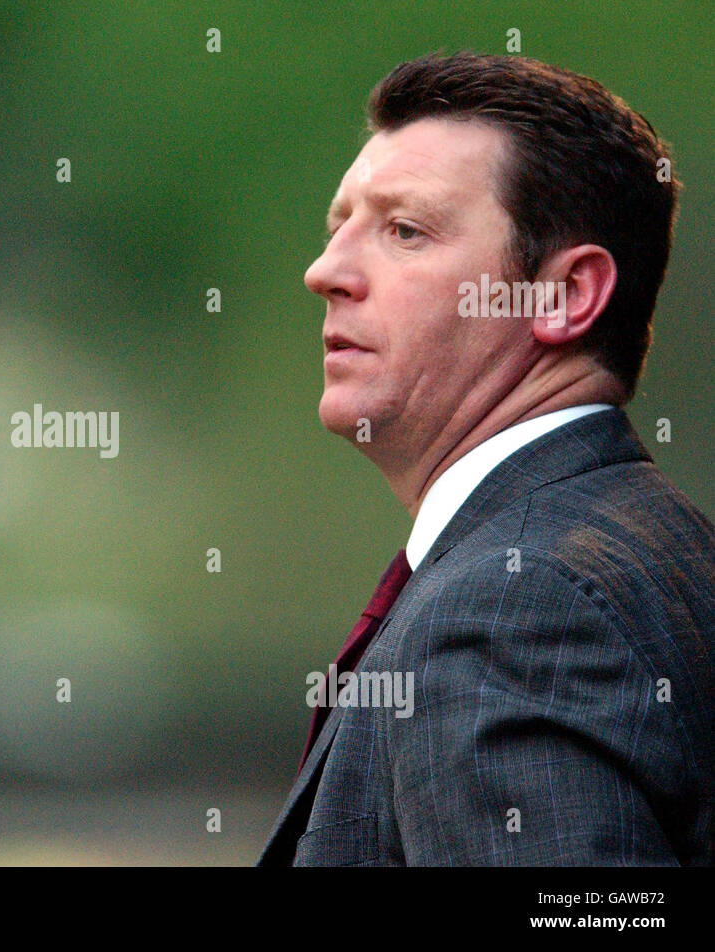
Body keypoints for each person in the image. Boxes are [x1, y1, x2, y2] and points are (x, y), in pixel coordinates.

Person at [258, 51, 715, 865]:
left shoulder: (514, 610)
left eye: (404, 231)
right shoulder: (664, 555)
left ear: (566, 294)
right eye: (339, 229)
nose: (323, 272)